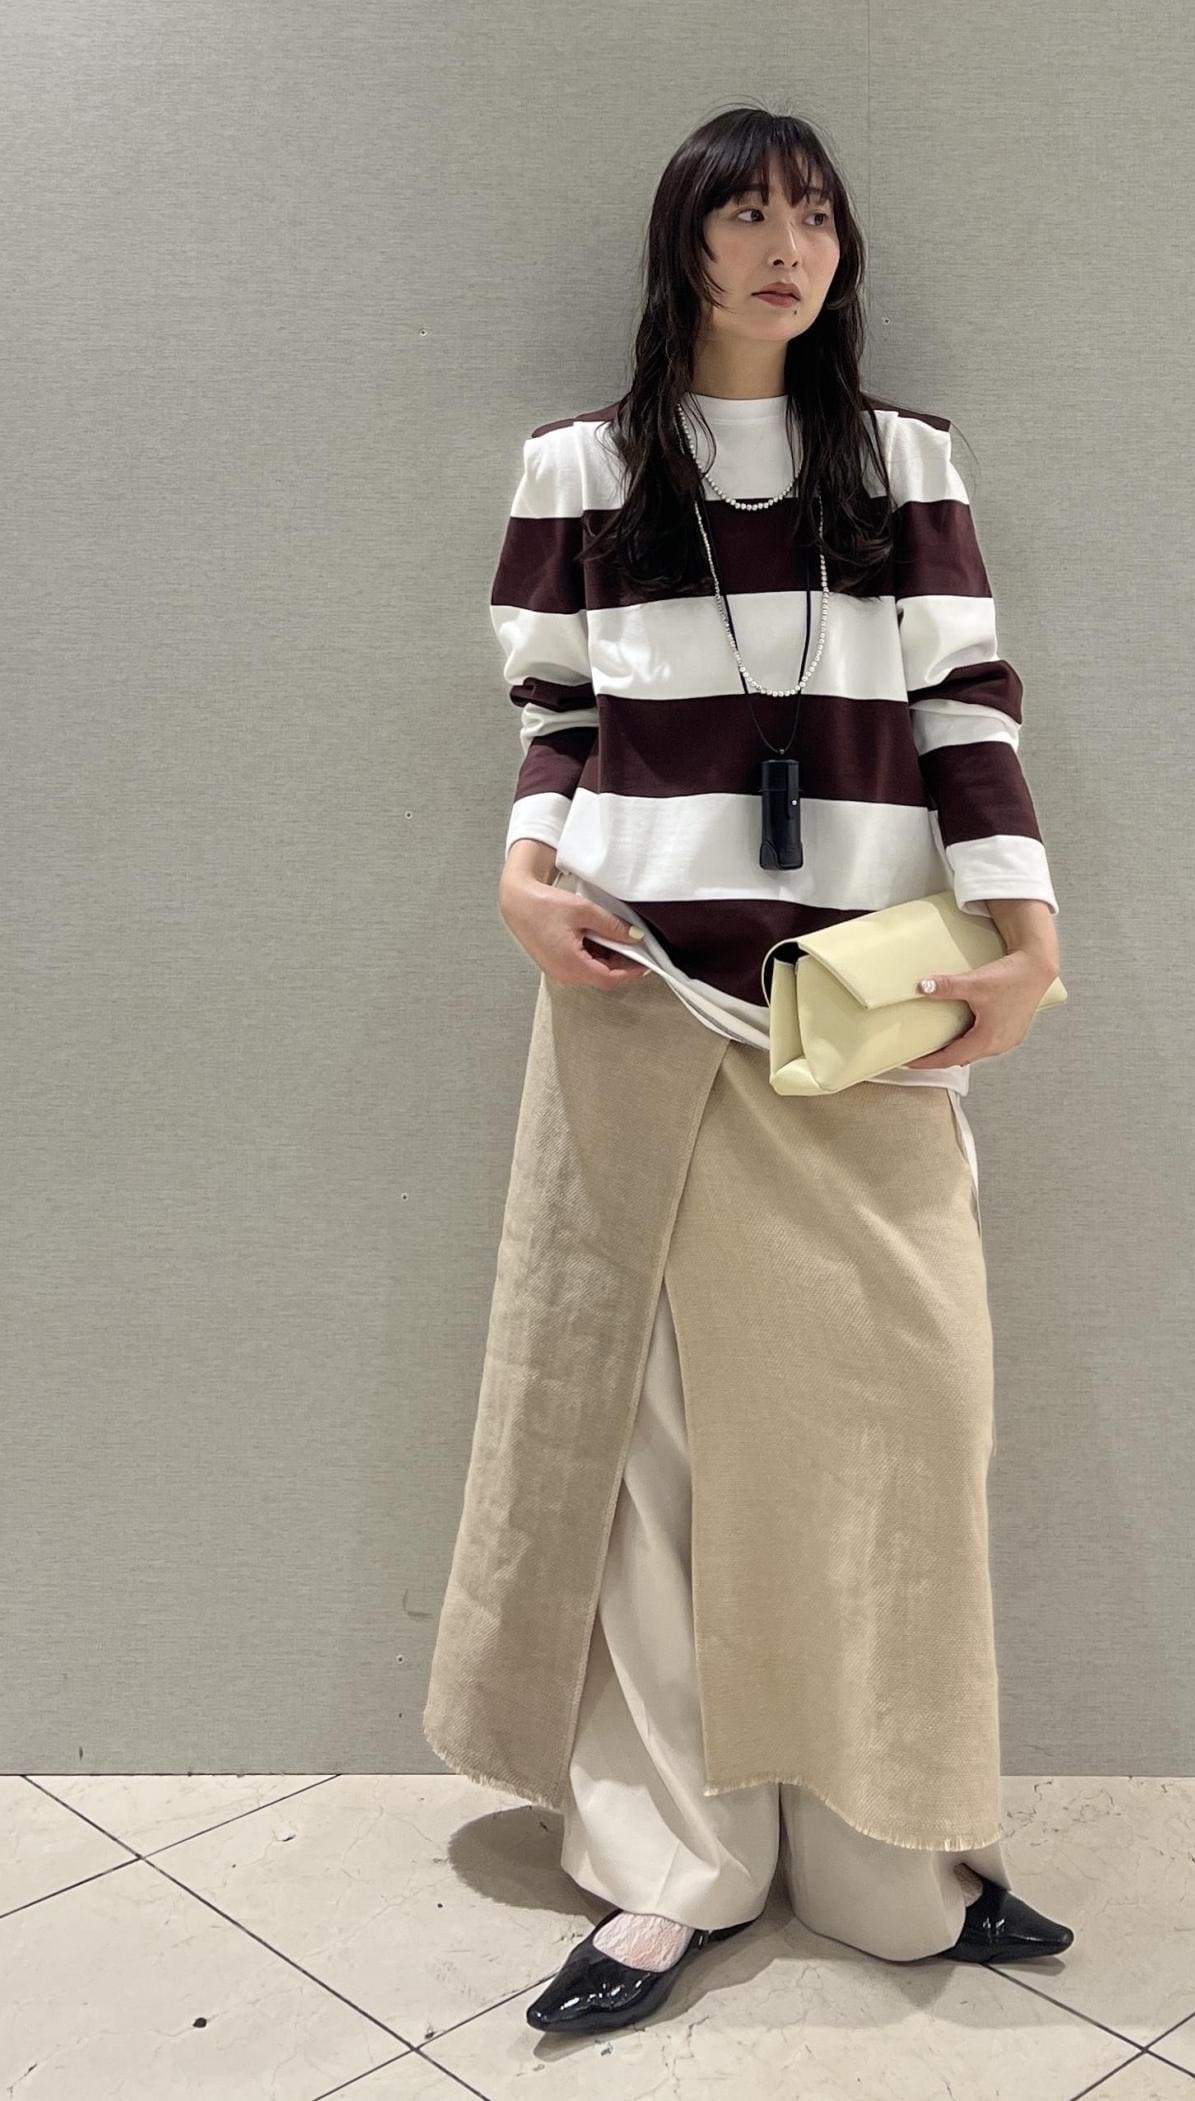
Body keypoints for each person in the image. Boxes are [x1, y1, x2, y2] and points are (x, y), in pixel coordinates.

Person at [422, 105, 1074, 2038]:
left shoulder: (904, 461)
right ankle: (675, 1865)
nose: (788, 246)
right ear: (685, 244)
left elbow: (965, 700)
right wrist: (523, 868)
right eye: (747, 213)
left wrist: (1026, 931)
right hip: (634, 984)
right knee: (658, 1450)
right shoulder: (582, 467)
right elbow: (553, 703)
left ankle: (893, 1853)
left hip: (863, 1012)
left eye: (814, 215)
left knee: (902, 1424)